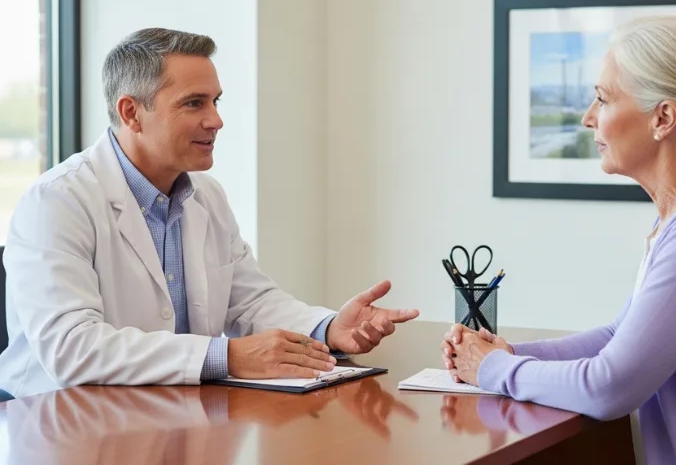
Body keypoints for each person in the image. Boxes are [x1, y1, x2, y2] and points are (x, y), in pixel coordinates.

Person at [441, 15, 676, 464]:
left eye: (603, 100)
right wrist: (509, 352)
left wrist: (494, 369)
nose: (588, 119)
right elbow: (618, 337)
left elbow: (611, 386)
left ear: (663, 117)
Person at [0, 27, 419, 400]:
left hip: (170, 414)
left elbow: (250, 302)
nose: (216, 120)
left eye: (215, 101)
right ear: (131, 113)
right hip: (59, 423)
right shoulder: (56, 202)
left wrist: (327, 329)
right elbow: (71, 348)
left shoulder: (205, 195)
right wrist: (227, 355)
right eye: (194, 103)